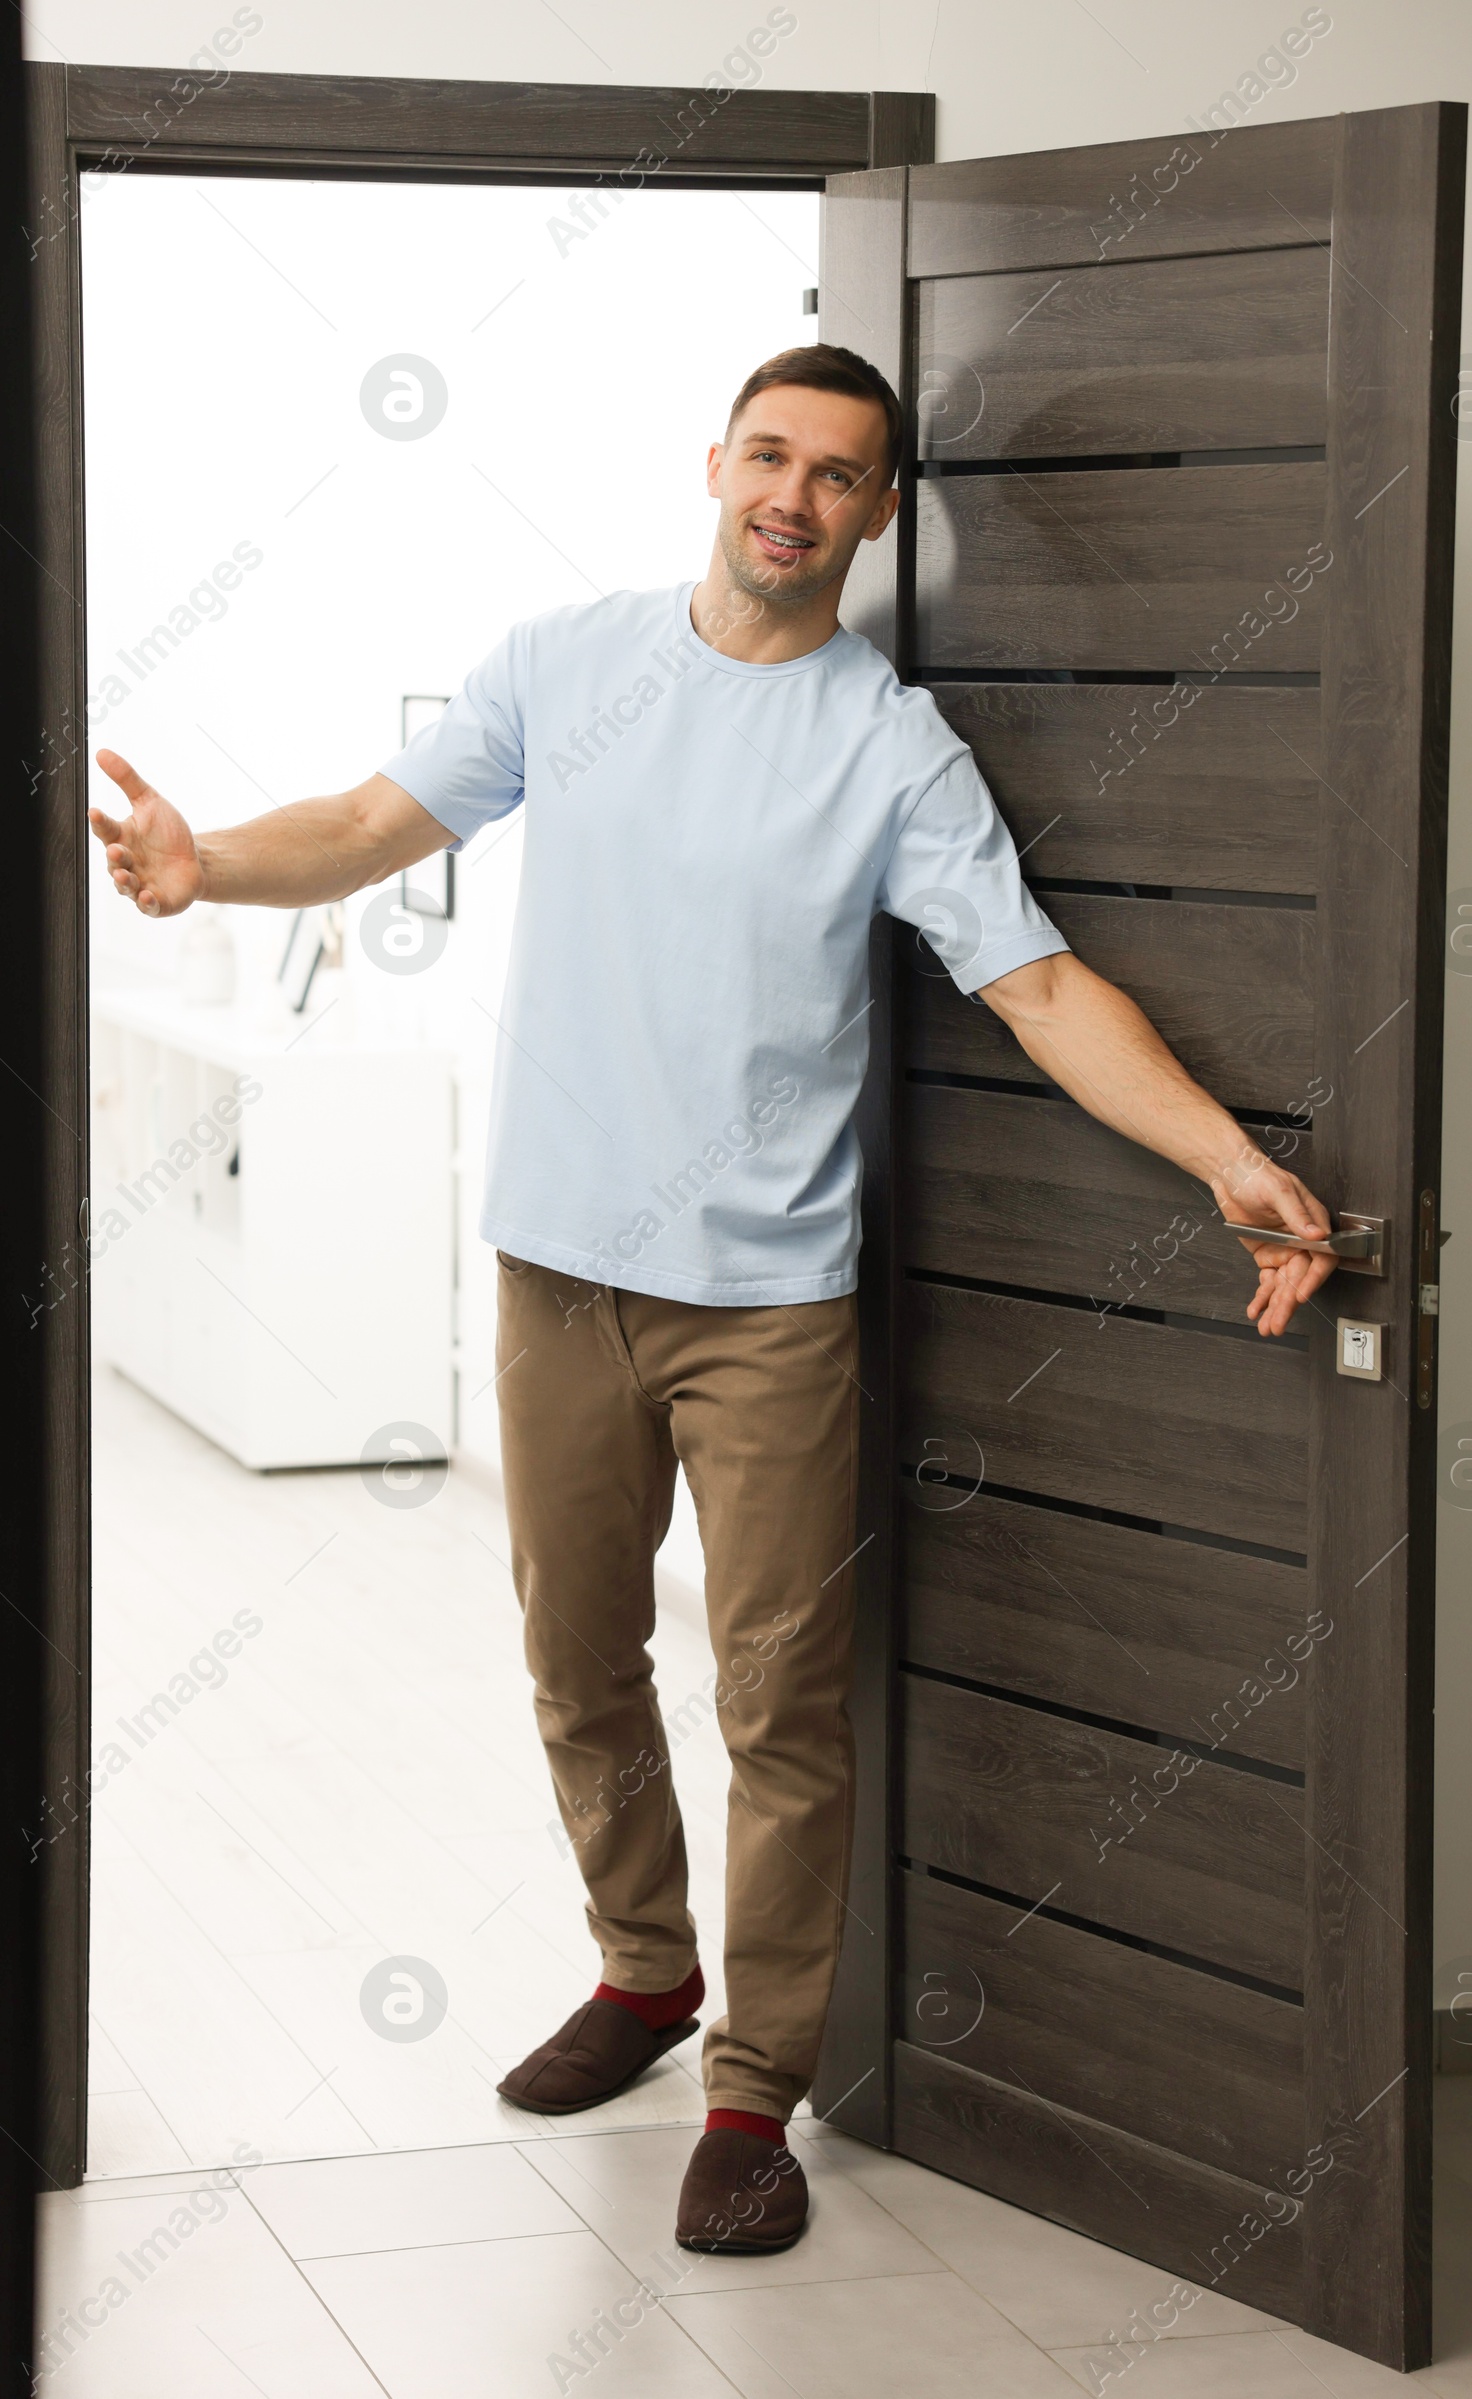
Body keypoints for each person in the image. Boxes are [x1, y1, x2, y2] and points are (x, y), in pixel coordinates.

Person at [88, 343, 1337, 2256]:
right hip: (554, 1274)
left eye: (840, 475)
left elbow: (1041, 986)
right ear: (715, 465)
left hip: (770, 1308)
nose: (795, 497)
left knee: (775, 1703)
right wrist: (210, 865)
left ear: (879, 510)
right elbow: (367, 823)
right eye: (771, 456)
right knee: (578, 1668)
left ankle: (753, 2087)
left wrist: (1228, 1162)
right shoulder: (566, 663)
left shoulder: (892, 746)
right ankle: (641, 1972)